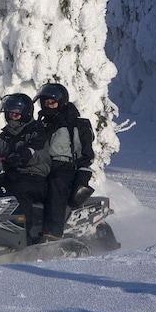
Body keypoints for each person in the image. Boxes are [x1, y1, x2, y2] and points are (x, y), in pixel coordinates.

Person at [33, 83, 96, 241]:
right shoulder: (41, 124)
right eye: (46, 103)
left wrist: (83, 172)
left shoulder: (75, 124)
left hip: (66, 167)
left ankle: (53, 232)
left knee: (56, 182)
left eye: (52, 103)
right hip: (44, 165)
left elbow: (86, 153)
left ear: (61, 102)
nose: (49, 106)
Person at [0, 93, 51, 244]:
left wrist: (22, 156)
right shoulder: (3, 137)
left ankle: (25, 237)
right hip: (10, 175)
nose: (12, 117)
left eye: (16, 114)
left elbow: (38, 152)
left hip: (33, 176)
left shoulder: (37, 131)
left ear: (25, 114)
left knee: (18, 191)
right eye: (9, 114)